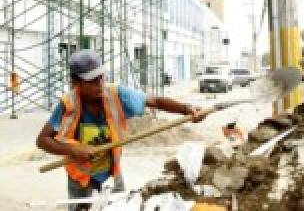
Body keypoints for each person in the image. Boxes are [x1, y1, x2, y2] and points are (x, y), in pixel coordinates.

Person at [34, 50, 207, 208]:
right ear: (75, 83)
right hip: (80, 178)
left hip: (111, 174)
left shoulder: (117, 94)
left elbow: (154, 101)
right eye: (93, 80)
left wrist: (187, 109)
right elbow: (42, 140)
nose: (100, 83)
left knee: (119, 207)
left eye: (101, 77)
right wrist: (74, 149)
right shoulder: (68, 104)